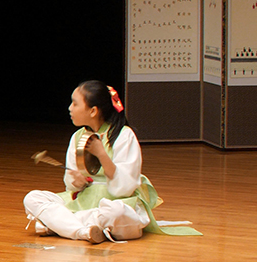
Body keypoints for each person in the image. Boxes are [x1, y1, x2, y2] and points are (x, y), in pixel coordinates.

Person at [23, 81, 200, 243]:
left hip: (116, 201)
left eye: (75, 104)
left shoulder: (124, 135)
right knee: (32, 198)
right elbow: (71, 186)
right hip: (85, 200)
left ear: (93, 111)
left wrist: (102, 154)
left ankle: (61, 225)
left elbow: (125, 188)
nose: (70, 108)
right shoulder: (77, 137)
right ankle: (83, 231)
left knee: (116, 212)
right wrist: (76, 181)